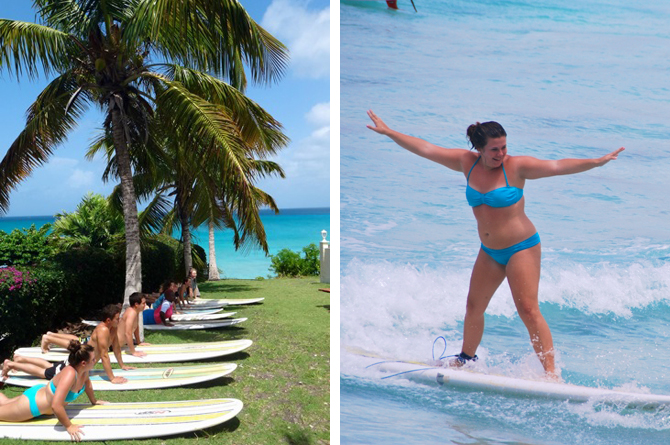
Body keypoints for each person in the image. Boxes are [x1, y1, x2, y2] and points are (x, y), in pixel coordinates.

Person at [367, 110, 624, 379]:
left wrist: (595, 162)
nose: (501, 153)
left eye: (504, 147)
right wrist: (390, 132)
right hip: (489, 251)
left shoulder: (516, 166)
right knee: (473, 306)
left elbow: (557, 166)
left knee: (528, 309)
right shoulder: (466, 163)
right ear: (479, 149)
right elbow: (426, 149)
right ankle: (466, 359)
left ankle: (551, 373)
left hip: (521, 247)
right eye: (494, 149)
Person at [0, 340, 107, 441]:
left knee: (4, 403)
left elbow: (87, 384)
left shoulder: (84, 371)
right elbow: (56, 405)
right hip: (32, 405)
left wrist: (94, 401)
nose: (95, 361)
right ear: (83, 363)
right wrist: (69, 426)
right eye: (93, 359)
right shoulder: (70, 374)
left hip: (39, 395)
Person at [27, 304, 132, 384]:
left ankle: (20, 359)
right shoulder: (103, 330)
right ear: (109, 320)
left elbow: (117, 347)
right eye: (117, 319)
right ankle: (14, 364)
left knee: (50, 366)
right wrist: (112, 378)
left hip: (80, 362)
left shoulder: (113, 328)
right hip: (75, 365)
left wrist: (122, 365)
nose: (119, 321)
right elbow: (104, 355)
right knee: (45, 373)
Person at [116, 292, 149, 357]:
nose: (145, 305)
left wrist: (139, 342)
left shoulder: (135, 312)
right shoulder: (131, 313)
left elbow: (135, 327)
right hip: (110, 346)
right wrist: (133, 352)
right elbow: (128, 333)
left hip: (117, 345)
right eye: (143, 303)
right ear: (136, 304)